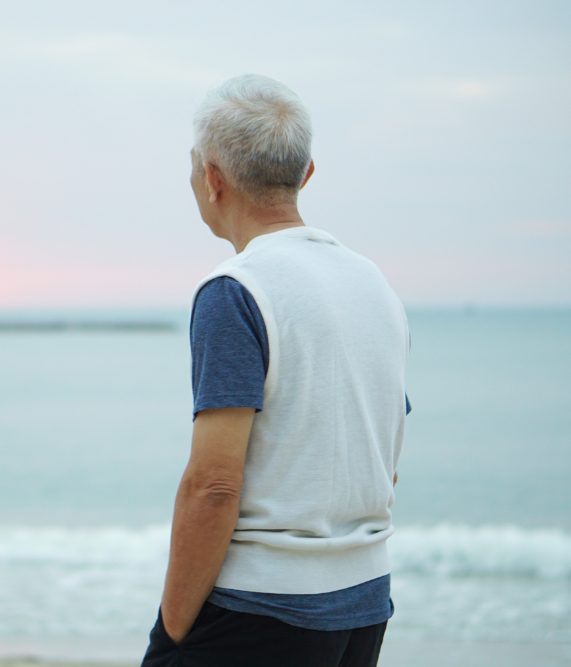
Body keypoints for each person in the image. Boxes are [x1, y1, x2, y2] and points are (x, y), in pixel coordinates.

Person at [141, 75, 410, 667]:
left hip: (260, 612)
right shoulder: (376, 287)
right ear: (306, 173)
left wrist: (172, 633)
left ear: (211, 178)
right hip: (364, 603)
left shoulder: (236, 290)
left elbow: (213, 486)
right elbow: (384, 461)